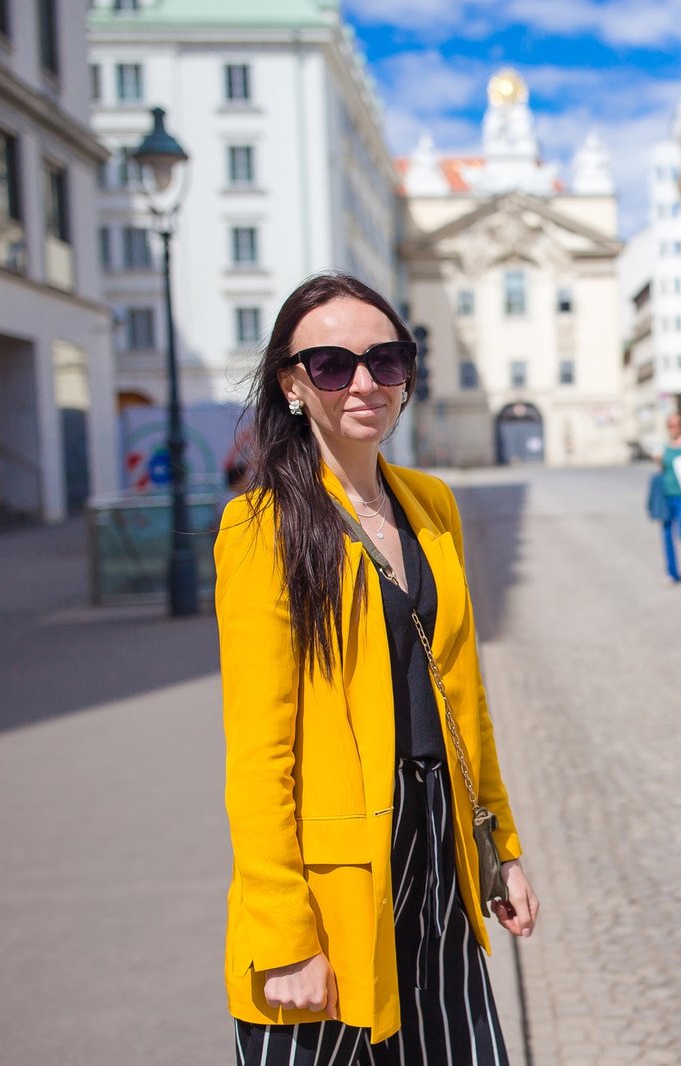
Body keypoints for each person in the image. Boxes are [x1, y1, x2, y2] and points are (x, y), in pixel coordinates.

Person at [216, 271, 538, 1064]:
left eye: (385, 360)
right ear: (293, 384)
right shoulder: (263, 529)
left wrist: (499, 848)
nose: (363, 382)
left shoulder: (431, 506)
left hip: (440, 849)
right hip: (337, 881)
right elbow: (259, 753)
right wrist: (284, 929)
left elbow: (466, 700)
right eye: (330, 364)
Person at [658, 411, 681, 584]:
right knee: (667, 537)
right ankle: (672, 572)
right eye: (670, 425)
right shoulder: (664, 447)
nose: (673, 428)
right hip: (667, 495)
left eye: (676, 425)